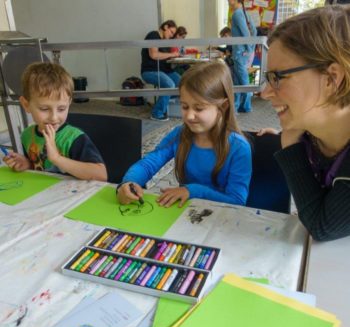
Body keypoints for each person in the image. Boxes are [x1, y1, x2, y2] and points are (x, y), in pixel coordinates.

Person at [261, 5, 350, 241]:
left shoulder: (296, 137)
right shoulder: (310, 134)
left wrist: (290, 146)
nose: (265, 93)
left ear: (332, 78)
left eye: (278, 77)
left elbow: (322, 226)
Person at [117, 61, 252, 207]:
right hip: (183, 214)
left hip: (219, 220)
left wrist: (193, 191)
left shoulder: (239, 148)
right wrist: (129, 182)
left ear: (223, 107)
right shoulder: (179, 134)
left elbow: (237, 202)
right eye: (184, 106)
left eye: (199, 108)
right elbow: (149, 164)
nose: (189, 116)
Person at [3, 62, 107, 181]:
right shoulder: (27, 136)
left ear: (69, 103)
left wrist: (57, 158)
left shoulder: (73, 138)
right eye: (44, 109)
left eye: (61, 109)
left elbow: (101, 175)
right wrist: (27, 164)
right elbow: (41, 169)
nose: (54, 117)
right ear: (26, 105)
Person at [141, 20, 181, 121]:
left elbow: (164, 57)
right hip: (150, 71)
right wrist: (172, 55)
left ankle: (165, 102)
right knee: (169, 85)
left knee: (182, 82)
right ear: (165, 27)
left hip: (163, 70)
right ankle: (157, 113)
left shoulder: (164, 41)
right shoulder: (153, 35)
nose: (171, 36)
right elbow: (153, 55)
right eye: (171, 32)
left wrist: (175, 57)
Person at [229, 0, 257, 113]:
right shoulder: (245, 13)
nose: (228, 1)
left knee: (243, 81)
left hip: (240, 53)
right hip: (241, 53)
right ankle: (237, 106)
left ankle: (245, 107)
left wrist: (249, 50)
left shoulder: (237, 14)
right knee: (237, 81)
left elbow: (246, 33)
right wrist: (250, 49)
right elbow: (254, 31)